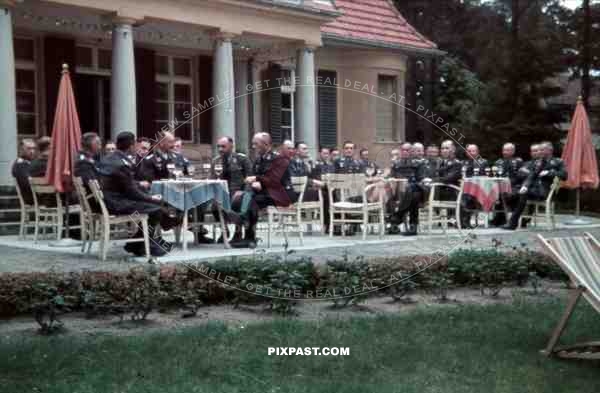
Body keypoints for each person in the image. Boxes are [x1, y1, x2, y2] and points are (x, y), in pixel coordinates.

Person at [97, 131, 175, 256]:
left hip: (109, 199)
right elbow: (132, 193)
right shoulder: (122, 164)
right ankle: (142, 244)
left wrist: (140, 188)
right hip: (117, 203)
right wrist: (151, 198)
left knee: (156, 206)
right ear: (132, 146)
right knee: (156, 209)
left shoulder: (108, 159)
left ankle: (137, 243)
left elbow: (124, 183)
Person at [230, 132, 297, 248]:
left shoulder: (278, 159)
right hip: (265, 193)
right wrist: (252, 185)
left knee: (251, 201)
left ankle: (250, 237)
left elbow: (275, 180)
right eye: (253, 144)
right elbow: (253, 178)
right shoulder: (258, 160)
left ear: (266, 144)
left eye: (256, 144)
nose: (253, 147)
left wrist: (258, 180)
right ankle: (239, 233)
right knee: (239, 198)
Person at [503, 142, 567, 230]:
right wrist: (525, 186)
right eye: (539, 150)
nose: (540, 152)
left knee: (522, 194)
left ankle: (513, 222)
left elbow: (564, 175)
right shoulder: (539, 162)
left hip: (545, 191)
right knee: (518, 192)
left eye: (542, 150)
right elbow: (531, 175)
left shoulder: (558, 161)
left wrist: (549, 173)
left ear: (550, 150)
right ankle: (515, 220)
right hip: (534, 190)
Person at [211, 136, 253, 242]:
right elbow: (211, 179)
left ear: (231, 146)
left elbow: (250, 177)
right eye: (218, 147)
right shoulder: (216, 161)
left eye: (223, 146)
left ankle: (238, 232)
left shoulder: (242, 159)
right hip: (222, 193)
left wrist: (245, 193)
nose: (220, 149)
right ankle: (224, 231)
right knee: (214, 206)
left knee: (236, 203)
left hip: (238, 192)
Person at [389, 143, 426, 236]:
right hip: (398, 192)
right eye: (403, 150)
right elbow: (391, 177)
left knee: (414, 194)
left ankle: (396, 219)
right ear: (400, 151)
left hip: (416, 190)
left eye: (407, 150)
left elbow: (421, 179)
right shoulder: (396, 164)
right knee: (413, 195)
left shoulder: (419, 163)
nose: (405, 152)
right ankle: (412, 226)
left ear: (412, 151)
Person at [490, 143, 524, 226]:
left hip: (514, 186)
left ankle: (505, 219)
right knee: (491, 193)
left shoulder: (518, 162)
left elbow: (521, 177)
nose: (505, 152)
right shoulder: (498, 162)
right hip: (499, 187)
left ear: (513, 151)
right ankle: (498, 218)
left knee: (506, 194)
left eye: (507, 150)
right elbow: (493, 175)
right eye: (504, 150)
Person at [460, 144, 489, 228]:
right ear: (466, 152)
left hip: (481, 188)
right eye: (469, 151)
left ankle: (465, 220)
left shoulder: (483, 162)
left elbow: (487, 176)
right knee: (464, 195)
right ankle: (463, 220)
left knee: (467, 196)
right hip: (465, 188)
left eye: (473, 151)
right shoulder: (463, 163)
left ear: (477, 152)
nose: (471, 153)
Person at [12, 139, 36, 205]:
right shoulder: (20, 164)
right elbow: (27, 184)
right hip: (30, 198)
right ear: (21, 150)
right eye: (29, 149)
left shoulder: (29, 163)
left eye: (34, 148)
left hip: (35, 196)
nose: (32, 151)